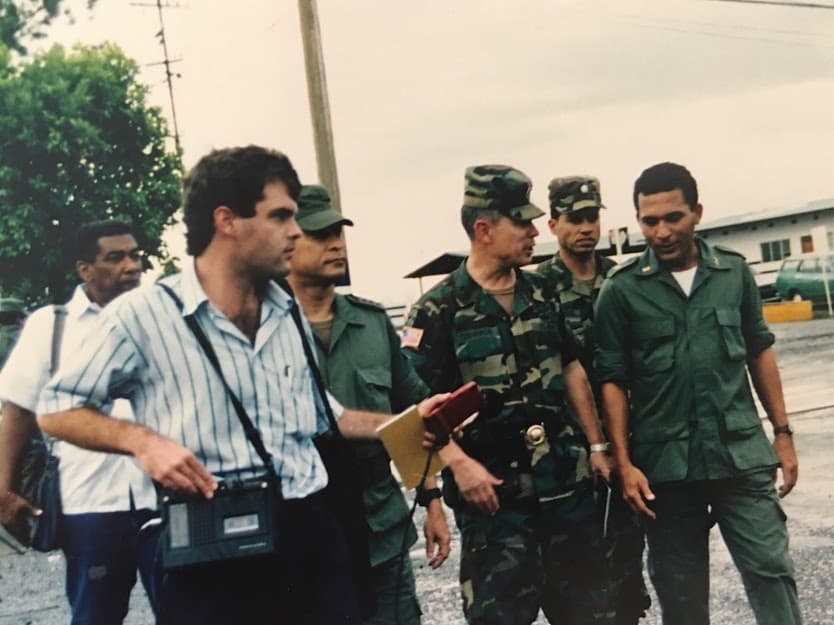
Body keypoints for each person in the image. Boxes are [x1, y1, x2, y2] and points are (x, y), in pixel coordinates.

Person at [36, 145, 447, 625]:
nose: (295, 232)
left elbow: (324, 416)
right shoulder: (143, 315)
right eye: (280, 216)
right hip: (214, 551)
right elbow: (56, 408)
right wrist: (142, 442)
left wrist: (405, 422)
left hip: (312, 537)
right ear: (227, 221)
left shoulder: (285, 309)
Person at [402, 164, 613, 625]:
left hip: (567, 491)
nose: (534, 231)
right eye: (521, 223)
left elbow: (572, 368)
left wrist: (596, 446)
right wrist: (453, 473)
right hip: (495, 507)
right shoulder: (438, 309)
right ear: (484, 230)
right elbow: (413, 411)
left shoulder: (545, 291)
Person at [594, 161, 802, 625]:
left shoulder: (733, 273)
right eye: (650, 221)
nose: (662, 232)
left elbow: (759, 351)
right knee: (681, 594)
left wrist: (783, 433)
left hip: (739, 455)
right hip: (666, 469)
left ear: (697, 213)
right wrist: (624, 465)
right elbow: (612, 380)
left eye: (674, 217)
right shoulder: (621, 291)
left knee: (771, 570)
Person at [286, 183, 451, 625]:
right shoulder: (265, 330)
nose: (336, 244)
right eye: (320, 235)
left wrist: (432, 500)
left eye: (338, 234)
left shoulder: (373, 323)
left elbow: (413, 415)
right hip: (306, 532)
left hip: (381, 528)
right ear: (287, 242)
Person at [0, 220, 159, 625]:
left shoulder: (161, 320)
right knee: (94, 616)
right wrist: (3, 490)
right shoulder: (52, 326)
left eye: (135, 256)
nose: (131, 266)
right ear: (85, 269)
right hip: (89, 503)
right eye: (115, 258)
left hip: (163, 497)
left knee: (188, 611)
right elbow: (18, 412)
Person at [536, 176, 650, 624]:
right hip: (570, 452)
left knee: (628, 561)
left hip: (628, 440)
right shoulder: (539, 289)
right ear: (553, 225)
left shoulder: (622, 280)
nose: (586, 227)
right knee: (577, 574)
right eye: (574, 219)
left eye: (592, 217)